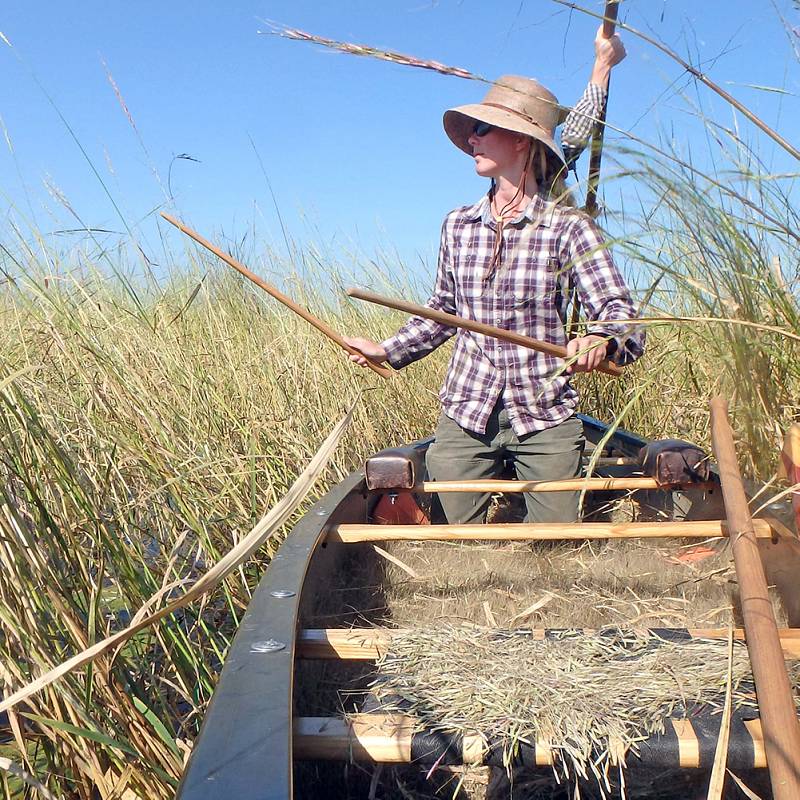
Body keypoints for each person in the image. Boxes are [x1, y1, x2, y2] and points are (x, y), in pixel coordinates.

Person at [345, 27, 645, 525]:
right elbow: (442, 312)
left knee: (553, 542)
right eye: (473, 130)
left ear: (525, 143)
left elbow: (624, 319)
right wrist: (388, 349)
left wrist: (601, 339)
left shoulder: (568, 227)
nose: (472, 138)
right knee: (453, 538)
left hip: (544, 408)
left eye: (485, 129)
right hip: (468, 405)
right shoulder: (457, 224)